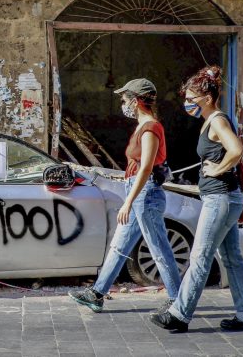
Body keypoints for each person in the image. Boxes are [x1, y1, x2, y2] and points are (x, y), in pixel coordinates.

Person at [150, 66, 243, 333]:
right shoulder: (212, 120)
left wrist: (219, 168)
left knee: (200, 256)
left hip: (220, 199)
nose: (187, 104)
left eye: (191, 99)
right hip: (223, 198)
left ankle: (179, 313)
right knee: (232, 257)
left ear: (208, 98)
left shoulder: (218, 121)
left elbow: (236, 149)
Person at [69, 78, 181, 313]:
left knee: (159, 248)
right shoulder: (142, 127)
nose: (122, 103)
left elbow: (147, 168)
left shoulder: (151, 128)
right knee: (119, 247)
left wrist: (128, 202)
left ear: (137, 101)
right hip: (137, 191)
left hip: (145, 194)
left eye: (124, 98)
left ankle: (178, 300)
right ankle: (97, 293)